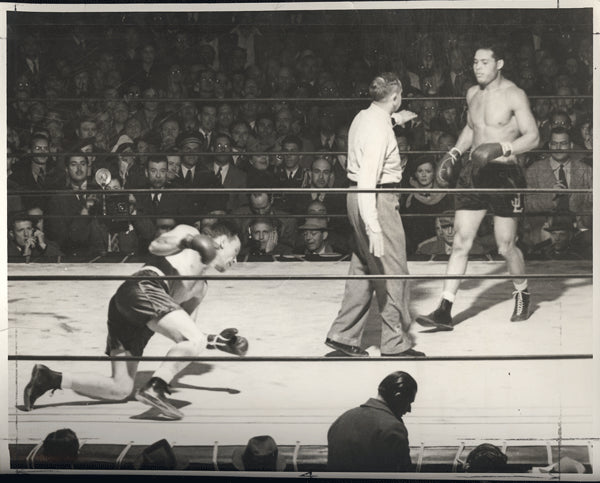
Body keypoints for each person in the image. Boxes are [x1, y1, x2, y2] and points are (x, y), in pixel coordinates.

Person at [23, 222, 248, 420]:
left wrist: (218, 341)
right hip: (143, 287)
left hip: (136, 315)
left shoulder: (200, 288)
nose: (235, 260)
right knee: (192, 340)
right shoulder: (191, 233)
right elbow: (155, 246)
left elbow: (185, 335)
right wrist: (190, 240)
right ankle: (156, 387)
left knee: (120, 388)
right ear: (219, 242)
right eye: (234, 251)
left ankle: (50, 379)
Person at [416, 42, 540, 330]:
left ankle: (522, 292)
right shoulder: (472, 93)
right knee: (460, 241)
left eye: (484, 62)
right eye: (474, 62)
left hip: (504, 176)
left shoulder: (513, 94)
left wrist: (502, 147)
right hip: (473, 173)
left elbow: (533, 137)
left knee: (505, 245)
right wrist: (455, 152)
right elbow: (472, 128)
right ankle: (444, 309)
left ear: (499, 64)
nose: (478, 67)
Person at [324, 72, 422, 358]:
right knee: (394, 271)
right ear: (395, 97)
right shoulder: (379, 130)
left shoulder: (364, 117)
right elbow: (369, 177)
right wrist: (375, 226)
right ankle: (394, 344)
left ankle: (343, 336)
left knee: (364, 267)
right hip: (375, 198)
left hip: (355, 197)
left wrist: (398, 118)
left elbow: (381, 124)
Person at [327, 371, 417, 472]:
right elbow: (402, 477)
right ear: (398, 396)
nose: (409, 409)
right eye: (409, 402)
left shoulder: (341, 420)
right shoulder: (393, 427)